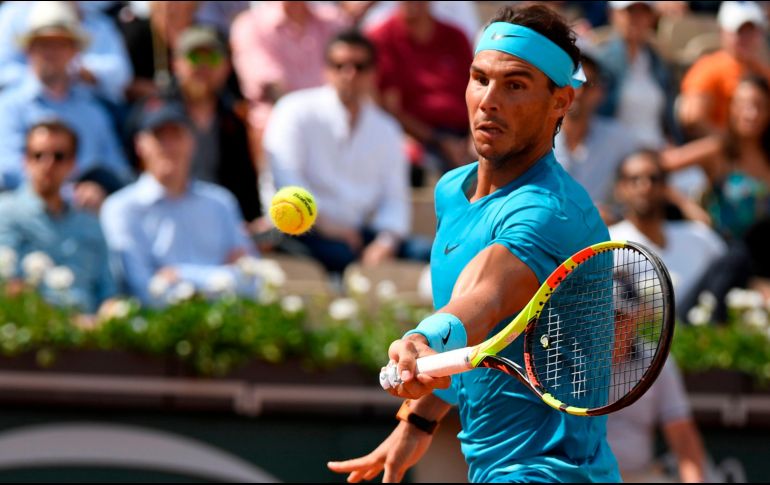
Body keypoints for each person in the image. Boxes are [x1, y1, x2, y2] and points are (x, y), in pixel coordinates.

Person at [328, 5, 620, 483]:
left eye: (516, 84)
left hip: (553, 474)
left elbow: (482, 300)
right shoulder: (452, 191)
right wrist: (418, 421)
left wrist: (422, 341)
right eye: (479, 79)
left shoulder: (551, 212)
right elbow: (486, 343)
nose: (489, 100)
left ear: (561, 102)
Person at [262, 29, 429, 274]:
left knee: (429, 253)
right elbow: (286, 182)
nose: (348, 74)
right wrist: (330, 227)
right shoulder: (294, 111)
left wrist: (386, 243)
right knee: (342, 256)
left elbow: (395, 198)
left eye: (359, 66)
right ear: (326, 69)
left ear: (373, 73)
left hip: (359, 234)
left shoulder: (387, 128)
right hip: (304, 230)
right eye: (339, 65)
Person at [100, 97, 257, 306]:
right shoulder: (120, 208)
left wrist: (181, 274)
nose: (169, 146)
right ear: (140, 145)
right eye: (159, 137)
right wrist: (223, 277)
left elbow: (254, 281)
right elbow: (143, 290)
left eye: (176, 135)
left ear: (192, 142)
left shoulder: (221, 202)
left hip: (226, 329)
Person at [0, 0, 131, 209]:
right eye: (44, 44)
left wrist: (99, 187)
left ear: (74, 52)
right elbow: (7, 171)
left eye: (60, 44)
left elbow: (117, 169)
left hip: (86, 222)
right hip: (28, 218)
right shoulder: (8, 107)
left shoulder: (93, 112)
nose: (51, 53)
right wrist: (66, 193)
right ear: (29, 50)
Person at [663, 75, 770, 321]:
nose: (751, 113)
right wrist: (687, 205)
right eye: (743, 104)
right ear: (731, 109)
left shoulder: (767, 156)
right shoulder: (719, 150)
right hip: (724, 254)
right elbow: (655, 168)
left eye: (759, 105)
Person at [0, 121, 117, 314]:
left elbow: (108, 292)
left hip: (91, 336)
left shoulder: (90, 223)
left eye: (59, 156)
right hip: (31, 334)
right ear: (25, 160)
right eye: (38, 155)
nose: (48, 164)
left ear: (73, 164)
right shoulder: (5, 212)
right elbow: (7, 287)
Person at [610, 149, 726, 322]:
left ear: (666, 187)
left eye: (654, 178)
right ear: (619, 189)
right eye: (634, 179)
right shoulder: (607, 245)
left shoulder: (699, 236)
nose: (645, 186)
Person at [366, 1, 474, 185]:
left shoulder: (456, 36)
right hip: (414, 139)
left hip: (465, 135)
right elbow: (390, 108)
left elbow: (477, 89)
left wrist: (473, 138)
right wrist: (440, 140)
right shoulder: (382, 38)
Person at [171, 25, 261, 223]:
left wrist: (251, 223)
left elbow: (246, 185)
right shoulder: (155, 114)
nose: (203, 66)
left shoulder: (235, 118)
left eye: (212, 58)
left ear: (227, 66)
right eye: (195, 57)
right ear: (176, 63)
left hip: (224, 227)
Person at [555, 51, 640, 221]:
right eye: (572, 84)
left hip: (600, 236)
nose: (577, 93)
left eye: (585, 85)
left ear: (600, 93)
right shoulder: (534, 136)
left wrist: (616, 215)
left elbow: (642, 177)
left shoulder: (618, 138)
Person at [678, 0, 770, 137]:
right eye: (740, 31)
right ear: (723, 32)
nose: (746, 38)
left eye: (751, 31)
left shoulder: (762, 71)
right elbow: (693, 117)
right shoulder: (708, 68)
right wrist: (728, 147)